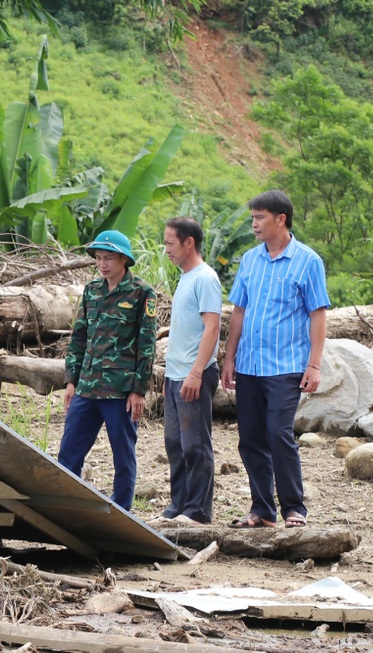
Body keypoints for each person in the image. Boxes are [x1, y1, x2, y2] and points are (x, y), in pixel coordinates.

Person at [221, 190, 330, 529]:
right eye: (253, 218)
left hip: (286, 365)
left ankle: (294, 509)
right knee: (250, 436)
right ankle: (262, 510)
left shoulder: (308, 261)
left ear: (281, 220)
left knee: (278, 432)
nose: (253, 224)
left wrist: (314, 364)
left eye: (260, 218)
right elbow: (239, 311)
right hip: (250, 365)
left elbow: (318, 315)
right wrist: (229, 357)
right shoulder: (250, 260)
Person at [57, 230, 157, 511]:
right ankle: (67, 508)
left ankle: (122, 511)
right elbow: (78, 337)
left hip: (120, 390)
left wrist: (138, 390)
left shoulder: (142, 293)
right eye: (99, 258)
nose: (102, 264)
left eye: (108, 258)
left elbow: (146, 346)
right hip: (87, 388)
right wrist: (71, 381)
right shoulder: (92, 290)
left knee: (123, 456)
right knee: (68, 453)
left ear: (124, 259)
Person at [159, 217, 222, 525]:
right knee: (174, 443)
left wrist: (196, 373)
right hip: (176, 375)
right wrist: (170, 376)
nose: (166, 249)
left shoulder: (205, 278)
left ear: (189, 243)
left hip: (195, 374)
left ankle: (197, 511)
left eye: (170, 243)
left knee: (195, 444)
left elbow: (212, 328)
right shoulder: (184, 277)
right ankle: (178, 505)